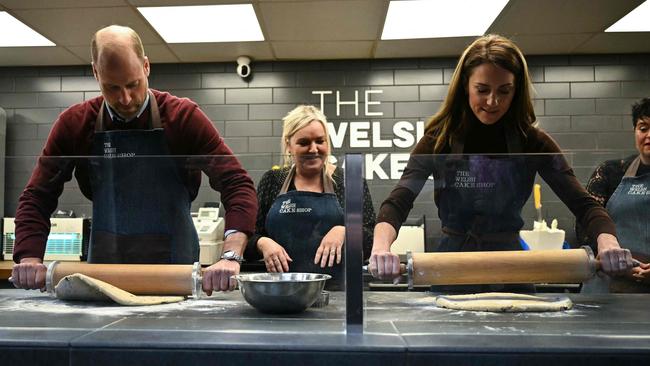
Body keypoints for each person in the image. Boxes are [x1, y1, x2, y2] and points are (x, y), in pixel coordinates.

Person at [369, 34, 635, 291]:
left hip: (511, 267)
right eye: (482, 90)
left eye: (504, 91)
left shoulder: (533, 143)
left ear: (516, 91)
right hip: (452, 266)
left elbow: (584, 205)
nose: (492, 101)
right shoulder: (439, 142)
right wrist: (381, 248)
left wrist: (608, 242)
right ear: (465, 85)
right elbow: (398, 202)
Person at [11, 25, 257, 295]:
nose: (125, 98)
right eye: (112, 87)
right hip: (104, 272)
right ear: (95, 73)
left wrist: (231, 254)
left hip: (175, 271)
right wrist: (29, 257)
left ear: (146, 66)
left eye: (133, 84)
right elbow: (37, 196)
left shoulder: (183, 117)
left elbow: (236, 184)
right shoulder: (75, 124)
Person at [244, 105, 375, 288]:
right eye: (304, 143)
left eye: (320, 141)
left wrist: (345, 231)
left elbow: (372, 241)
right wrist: (263, 243)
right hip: (283, 292)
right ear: (289, 145)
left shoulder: (349, 181)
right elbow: (248, 239)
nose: (313, 149)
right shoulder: (273, 180)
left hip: (342, 293)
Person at [578, 97, 650, 292]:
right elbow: (585, 225)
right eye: (643, 128)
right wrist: (612, 260)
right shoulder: (610, 172)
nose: (648, 135)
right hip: (608, 287)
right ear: (635, 131)